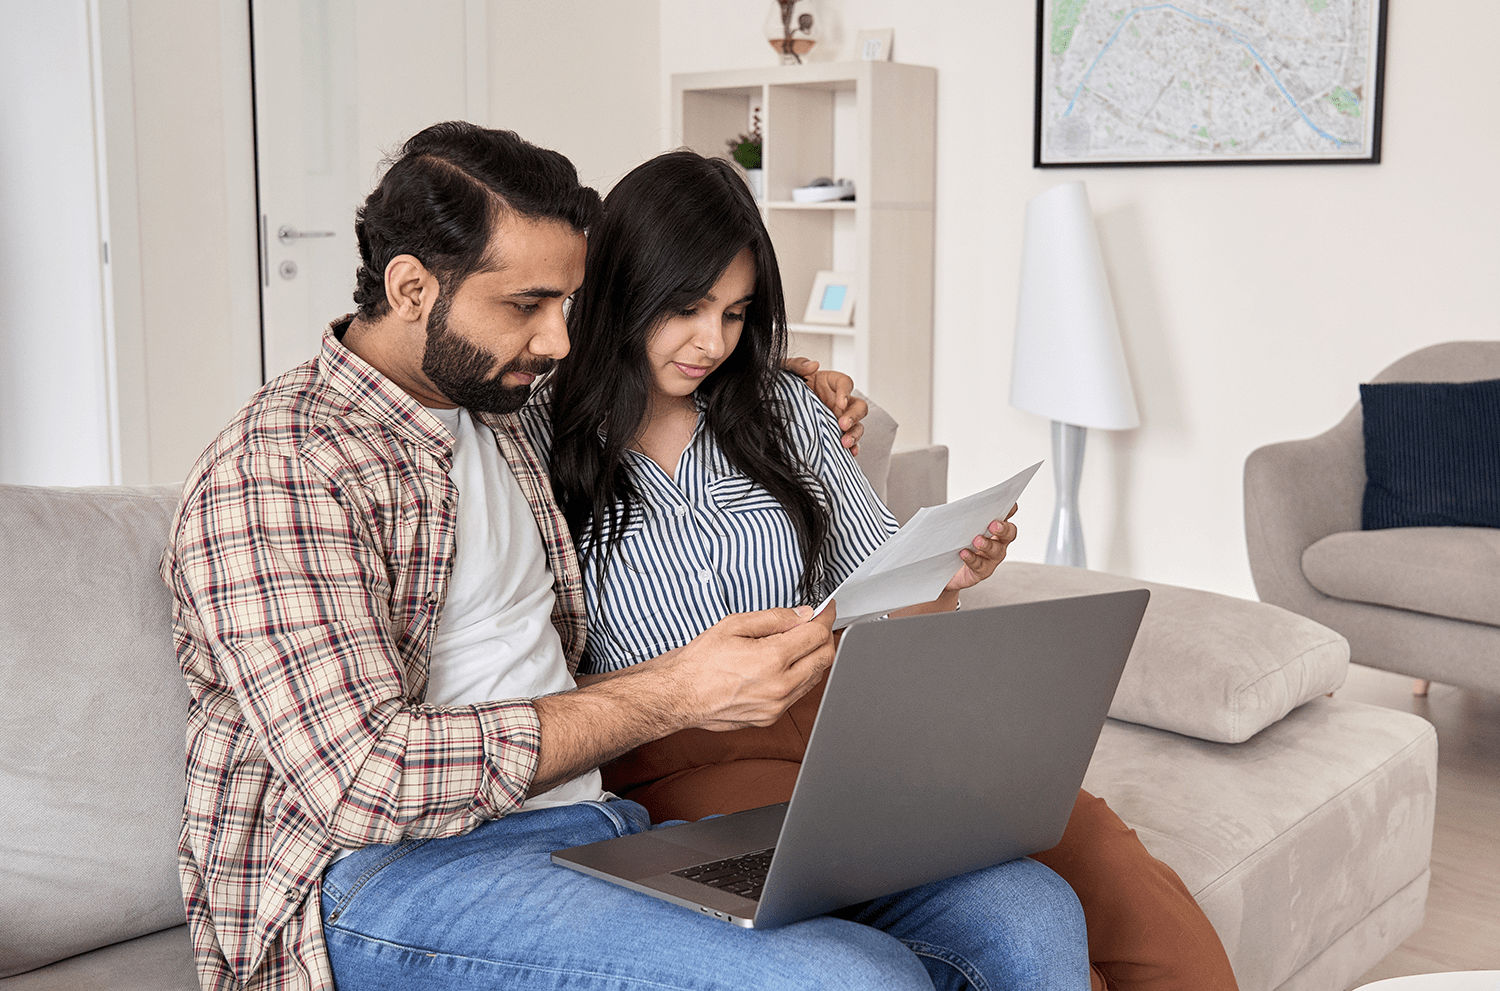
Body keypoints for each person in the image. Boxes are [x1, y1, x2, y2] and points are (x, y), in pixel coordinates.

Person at [162, 121, 1088, 991]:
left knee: (1024, 912)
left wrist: (789, 381)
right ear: (411, 290)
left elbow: (662, 375)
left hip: (598, 826)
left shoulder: (505, 409)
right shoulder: (281, 468)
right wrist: (679, 689)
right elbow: (368, 780)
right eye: (528, 304)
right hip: (387, 877)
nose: (560, 338)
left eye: (567, 302)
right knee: (849, 978)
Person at [529, 150, 1240, 991]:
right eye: (687, 308)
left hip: (847, 707)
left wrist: (947, 572)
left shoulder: (783, 407)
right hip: (684, 755)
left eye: (736, 311)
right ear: (621, 289)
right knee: (1002, 898)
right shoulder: (538, 441)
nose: (712, 341)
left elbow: (878, 577)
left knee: (1095, 845)